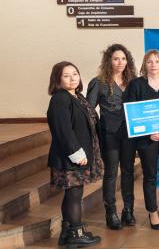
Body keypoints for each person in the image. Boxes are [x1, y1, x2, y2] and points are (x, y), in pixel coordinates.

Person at [123, 50, 159, 230]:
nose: (153, 64)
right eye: (149, 61)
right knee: (149, 176)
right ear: (144, 65)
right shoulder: (135, 85)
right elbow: (131, 114)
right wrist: (149, 134)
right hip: (146, 139)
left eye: (157, 61)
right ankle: (152, 211)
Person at [47, 61, 103, 247]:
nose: (72, 78)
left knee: (73, 195)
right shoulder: (60, 98)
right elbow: (62, 130)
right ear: (58, 79)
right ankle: (77, 233)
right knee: (74, 195)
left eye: (75, 74)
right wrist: (76, 153)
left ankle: (67, 233)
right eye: (66, 75)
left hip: (78, 155)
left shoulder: (77, 96)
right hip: (69, 157)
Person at [87, 43, 137, 230]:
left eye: (123, 58)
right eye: (116, 58)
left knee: (128, 171)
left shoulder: (133, 81)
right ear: (109, 60)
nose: (120, 62)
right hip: (110, 135)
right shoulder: (98, 82)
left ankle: (128, 210)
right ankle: (111, 213)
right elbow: (89, 112)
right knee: (111, 173)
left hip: (130, 134)